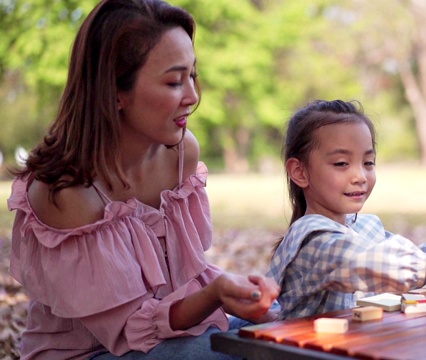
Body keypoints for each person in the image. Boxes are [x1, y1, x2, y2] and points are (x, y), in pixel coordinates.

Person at [7, 0, 279, 359]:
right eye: (173, 81)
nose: (193, 97)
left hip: (170, 337)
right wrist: (214, 296)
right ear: (115, 91)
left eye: (193, 76)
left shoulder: (181, 154)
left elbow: (183, 276)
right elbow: (132, 329)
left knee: (284, 333)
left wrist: (231, 290)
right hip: (92, 352)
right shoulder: (67, 193)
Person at [267, 99, 426, 320]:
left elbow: (395, 260)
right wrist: (425, 268)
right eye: (341, 163)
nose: (360, 177)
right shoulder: (310, 238)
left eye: (368, 162)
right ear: (299, 172)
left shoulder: (363, 226)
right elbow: (364, 261)